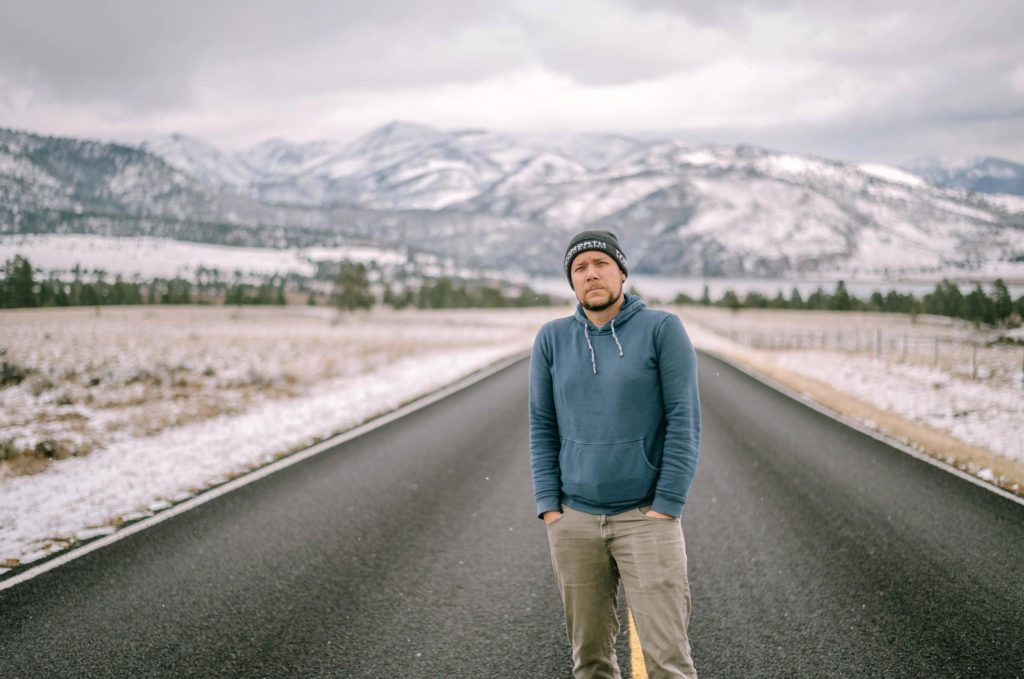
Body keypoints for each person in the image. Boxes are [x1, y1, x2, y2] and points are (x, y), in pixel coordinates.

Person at [529, 230, 701, 679]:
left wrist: (667, 506)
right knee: (590, 663)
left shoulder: (662, 329)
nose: (591, 274)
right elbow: (541, 425)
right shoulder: (551, 338)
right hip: (575, 522)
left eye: (600, 263)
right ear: (572, 283)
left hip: (645, 520)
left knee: (667, 662)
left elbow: (684, 420)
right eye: (579, 268)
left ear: (622, 271)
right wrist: (550, 507)